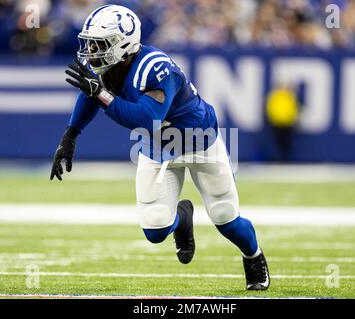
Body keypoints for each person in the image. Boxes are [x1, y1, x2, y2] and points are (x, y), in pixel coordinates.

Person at [50, 4, 269, 291]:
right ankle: (182, 219)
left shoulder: (155, 68)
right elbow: (92, 93)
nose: (91, 50)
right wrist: (70, 135)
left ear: (123, 44)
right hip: (158, 147)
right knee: (154, 229)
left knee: (225, 217)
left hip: (198, 141)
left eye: (99, 44)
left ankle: (253, 257)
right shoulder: (109, 67)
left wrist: (100, 93)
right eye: (90, 42)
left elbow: (146, 119)